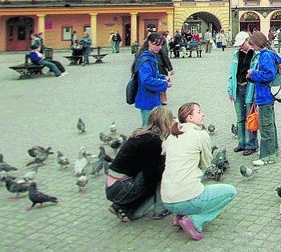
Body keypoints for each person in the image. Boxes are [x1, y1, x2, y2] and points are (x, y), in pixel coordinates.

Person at [161, 102, 236, 241]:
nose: (203, 114)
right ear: (189, 117)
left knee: (186, 181)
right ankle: (195, 220)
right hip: (186, 197)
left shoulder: (171, 136)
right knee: (230, 192)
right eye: (199, 112)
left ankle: (179, 216)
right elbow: (206, 164)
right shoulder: (200, 135)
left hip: (166, 199)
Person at [106, 106, 173, 222]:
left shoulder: (140, 133)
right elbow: (150, 175)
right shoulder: (154, 141)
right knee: (160, 173)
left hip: (112, 184)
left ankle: (123, 208)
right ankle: (160, 210)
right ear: (166, 123)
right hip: (121, 187)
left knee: (152, 174)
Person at [246, 31, 281, 166]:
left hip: (265, 96)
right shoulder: (268, 54)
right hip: (266, 96)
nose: (252, 47)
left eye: (253, 45)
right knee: (270, 124)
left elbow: (269, 75)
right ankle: (273, 149)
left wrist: (253, 73)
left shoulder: (265, 56)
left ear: (257, 43)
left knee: (266, 127)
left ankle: (267, 156)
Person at [227, 31, 259, 156]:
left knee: (249, 117)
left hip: (250, 88)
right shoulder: (236, 55)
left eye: (242, 44)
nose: (240, 46)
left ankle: (251, 144)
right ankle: (241, 143)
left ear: (248, 40)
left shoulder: (255, 55)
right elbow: (231, 74)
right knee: (240, 118)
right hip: (238, 88)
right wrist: (230, 90)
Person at [132, 32, 171, 126]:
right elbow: (146, 80)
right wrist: (164, 84)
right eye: (157, 45)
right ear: (149, 43)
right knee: (147, 127)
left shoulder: (151, 56)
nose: (159, 47)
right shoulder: (145, 59)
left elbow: (153, 74)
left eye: (160, 45)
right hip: (147, 99)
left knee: (154, 126)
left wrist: (162, 77)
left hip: (153, 98)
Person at [157, 33, 174, 106]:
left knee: (157, 81)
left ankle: (160, 98)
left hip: (155, 64)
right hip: (160, 65)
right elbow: (165, 56)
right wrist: (170, 68)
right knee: (163, 82)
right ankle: (164, 99)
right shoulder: (162, 43)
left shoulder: (155, 42)